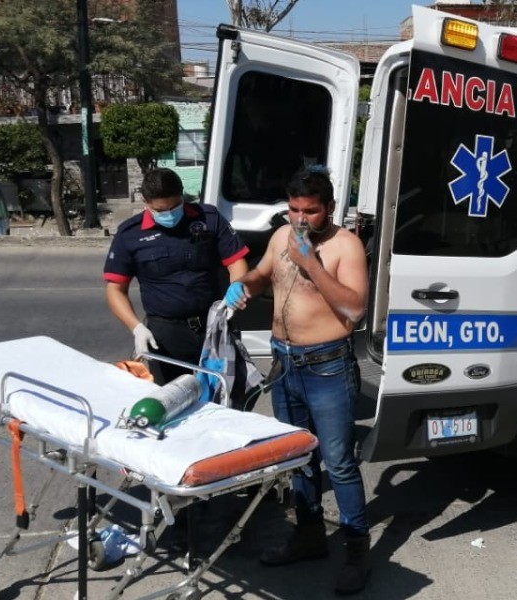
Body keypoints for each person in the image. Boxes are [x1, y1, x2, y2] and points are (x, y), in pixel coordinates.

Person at [224, 167, 371, 594]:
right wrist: (245, 285)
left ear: (328, 209)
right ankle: (308, 535)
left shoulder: (347, 246)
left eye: (310, 210)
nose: (300, 218)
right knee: (297, 457)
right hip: (285, 364)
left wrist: (311, 263)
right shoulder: (280, 236)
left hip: (327, 367)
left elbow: (355, 309)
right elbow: (263, 273)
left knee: (339, 463)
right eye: (293, 209)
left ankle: (357, 550)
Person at [103, 168, 249, 384]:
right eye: (161, 210)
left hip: (213, 324)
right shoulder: (130, 234)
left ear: (182, 195)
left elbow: (236, 261)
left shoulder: (208, 219)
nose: (169, 214)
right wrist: (136, 327)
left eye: (175, 206)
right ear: (145, 201)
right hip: (166, 335)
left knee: (225, 396)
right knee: (172, 400)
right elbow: (115, 289)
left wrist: (236, 288)